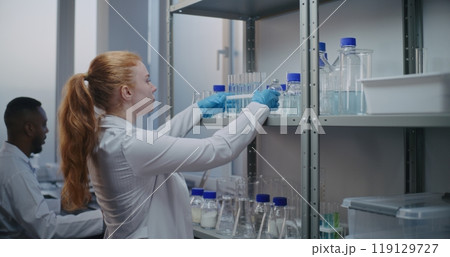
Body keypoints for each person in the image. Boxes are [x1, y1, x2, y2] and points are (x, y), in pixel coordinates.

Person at [58, 51, 279, 239]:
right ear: (126, 92)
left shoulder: (106, 134)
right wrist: (256, 108)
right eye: (146, 80)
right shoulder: (128, 143)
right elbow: (218, 149)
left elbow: (155, 143)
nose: (153, 87)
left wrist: (196, 110)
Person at [0, 97, 104, 238]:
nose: (47, 131)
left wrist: (61, 204)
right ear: (29, 129)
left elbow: (25, 207)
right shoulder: (17, 172)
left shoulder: (8, 160)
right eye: (43, 125)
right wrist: (105, 218)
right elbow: (47, 228)